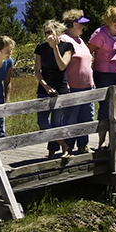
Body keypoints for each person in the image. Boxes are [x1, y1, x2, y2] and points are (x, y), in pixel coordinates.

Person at [51, 10, 95, 155]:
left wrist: (92, 81)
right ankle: (68, 146)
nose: (83, 27)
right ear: (74, 24)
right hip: (74, 87)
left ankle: (83, 145)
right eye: (81, 24)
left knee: (86, 117)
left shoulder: (80, 40)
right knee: (71, 118)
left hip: (87, 86)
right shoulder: (65, 40)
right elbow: (61, 65)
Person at [89, 6, 116, 150]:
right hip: (103, 74)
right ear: (108, 21)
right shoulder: (99, 34)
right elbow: (89, 52)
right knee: (105, 107)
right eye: (115, 20)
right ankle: (102, 141)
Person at [33, 20, 72, 159]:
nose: (48, 35)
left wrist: (55, 47)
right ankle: (64, 145)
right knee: (42, 122)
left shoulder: (67, 46)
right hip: (44, 89)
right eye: (46, 33)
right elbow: (37, 71)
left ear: (57, 32)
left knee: (57, 122)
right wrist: (46, 86)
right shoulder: (41, 48)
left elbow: (62, 66)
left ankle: (52, 153)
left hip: (60, 87)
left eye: (50, 32)